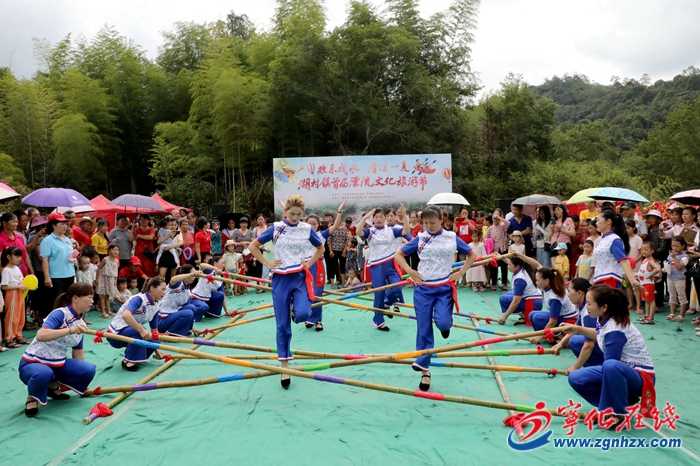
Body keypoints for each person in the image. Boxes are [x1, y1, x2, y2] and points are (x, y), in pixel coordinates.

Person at [395, 205, 477, 391]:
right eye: (425, 223)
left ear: (442, 220)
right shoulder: (420, 238)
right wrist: (410, 271)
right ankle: (425, 369)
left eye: (432, 222)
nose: (429, 226)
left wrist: (461, 272)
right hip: (423, 289)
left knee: (443, 323)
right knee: (423, 327)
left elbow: (472, 255)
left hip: (444, 288)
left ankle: (445, 326)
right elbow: (399, 255)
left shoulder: (451, 237)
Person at [249, 195, 327, 388]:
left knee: (303, 314)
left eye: (298, 214)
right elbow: (253, 246)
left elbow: (320, 248)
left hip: (299, 277)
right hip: (280, 279)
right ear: (285, 212)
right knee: (282, 325)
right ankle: (285, 366)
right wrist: (267, 263)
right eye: (292, 214)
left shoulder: (306, 228)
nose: (295, 218)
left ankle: (294, 309)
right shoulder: (276, 228)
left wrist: (309, 263)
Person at [565, 285, 656, 429]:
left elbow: (610, 366)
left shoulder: (615, 330)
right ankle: (624, 399)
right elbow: (601, 335)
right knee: (576, 378)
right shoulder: (604, 318)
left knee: (610, 365)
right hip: (623, 371)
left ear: (604, 307)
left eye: (589, 303)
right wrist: (579, 329)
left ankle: (616, 413)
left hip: (641, 378)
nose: (586, 307)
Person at [18, 283, 96, 417]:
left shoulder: (81, 324)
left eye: (92, 297)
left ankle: (52, 387)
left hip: (57, 364)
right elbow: (41, 335)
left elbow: (78, 352)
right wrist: (70, 330)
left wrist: (82, 381)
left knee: (88, 370)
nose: (92, 301)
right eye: (89, 297)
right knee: (43, 373)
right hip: (32, 363)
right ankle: (31, 398)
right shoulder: (60, 314)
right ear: (76, 298)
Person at [357, 205, 410, 331]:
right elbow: (359, 232)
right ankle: (378, 320)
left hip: (391, 263)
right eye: (376, 217)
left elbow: (406, 232)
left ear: (385, 218)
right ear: (373, 219)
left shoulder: (391, 230)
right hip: (377, 265)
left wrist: (404, 216)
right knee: (379, 293)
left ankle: (387, 302)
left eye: (381, 217)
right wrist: (364, 218)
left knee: (398, 286)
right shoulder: (370, 231)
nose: (379, 219)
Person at [107, 277, 167, 371]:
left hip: (130, 332)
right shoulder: (139, 299)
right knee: (141, 331)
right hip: (115, 333)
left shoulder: (155, 306)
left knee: (153, 339)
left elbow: (154, 330)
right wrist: (141, 330)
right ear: (152, 288)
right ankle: (128, 361)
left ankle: (133, 356)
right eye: (163, 289)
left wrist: (156, 348)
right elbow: (126, 315)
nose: (164, 292)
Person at [304, 208, 344, 331]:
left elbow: (336, 226)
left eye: (314, 224)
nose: (312, 226)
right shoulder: (299, 236)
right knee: (305, 293)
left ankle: (318, 320)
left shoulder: (321, 235)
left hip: (318, 266)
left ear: (319, 224)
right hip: (304, 267)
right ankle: (308, 317)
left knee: (317, 293)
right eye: (309, 224)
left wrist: (339, 213)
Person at [552, 278, 604, 372]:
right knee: (576, 337)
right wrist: (560, 344)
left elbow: (589, 345)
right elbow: (575, 329)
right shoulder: (584, 306)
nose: (568, 294)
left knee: (575, 341)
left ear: (579, 293)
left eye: (569, 291)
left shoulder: (589, 313)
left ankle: (597, 367)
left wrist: (575, 367)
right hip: (603, 343)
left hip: (605, 347)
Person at [591, 209, 639, 291]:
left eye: (598, 220)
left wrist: (632, 281)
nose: (596, 223)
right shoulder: (603, 239)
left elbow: (624, 261)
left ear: (608, 222)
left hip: (610, 279)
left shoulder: (614, 240)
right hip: (599, 279)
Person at [40, 213, 76, 316]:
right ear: (54, 225)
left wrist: (73, 256)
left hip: (69, 274)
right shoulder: (47, 240)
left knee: (68, 300)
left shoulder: (67, 239)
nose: (65, 226)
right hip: (56, 276)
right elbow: (44, 260)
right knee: (56, 301)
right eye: (62, 224)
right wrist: (47, 277)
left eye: (66, 224)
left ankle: (66, 320)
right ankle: (54, 321)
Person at [497, 255, 543, 326]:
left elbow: (516, 302)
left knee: (503, 299)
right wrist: (499, 256)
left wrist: (505, 316)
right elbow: (510, 262)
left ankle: (525, 316)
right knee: (508, 294)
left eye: (509, 265)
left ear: (517, 266)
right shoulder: (523, 268)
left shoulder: (520, 279)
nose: (508, 266)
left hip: (533, 304)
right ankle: (524, 315)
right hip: (536, 300)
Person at [156, 265, 198, 337]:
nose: (193, 277)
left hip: (170, 316)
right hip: (161, 320)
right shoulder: (178, 284)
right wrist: (191, 274)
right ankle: (168, 333)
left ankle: (188, 329)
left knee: (191, 307)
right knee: (188, 313)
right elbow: (173, 279)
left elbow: (188, 307)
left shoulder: (187, 290)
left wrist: (194, 329)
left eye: (194, 275)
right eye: (192, 275)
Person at [642, 210, 669, 314]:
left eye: (653, 217)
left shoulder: (661, 230)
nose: (650, 219)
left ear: (658, 219)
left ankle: (658, 303)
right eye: (649, 218)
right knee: (650, 281)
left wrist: (653, 254)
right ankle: (650, 301)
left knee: (658, 281)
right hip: (649, 258)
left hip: (659, 258)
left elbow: (663, 246)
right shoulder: (648, 231)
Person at [2, 246, 28, 347]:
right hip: (12, 295)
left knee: (21, 316)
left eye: (20, 256)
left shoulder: (17, 268)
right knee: (12, 317)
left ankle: (18, 335)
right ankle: (9, 339)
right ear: (9, 257)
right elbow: (4, 286)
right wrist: (18, 287)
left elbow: (21, 281)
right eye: (16, 256)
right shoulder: (6, 270)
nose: (19, 258)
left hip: (20, 294)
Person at [0, 212, 33, 277]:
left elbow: (26, 256)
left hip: (24, 273)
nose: (16, 224)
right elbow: (1, 263)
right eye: (14, 222)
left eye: (17, 222)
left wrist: (32, 272)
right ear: (4, 223)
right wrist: (4, 278)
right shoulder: (1, 240)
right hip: (10, 276)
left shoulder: (19, 238)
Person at [665, 236, 689, 322]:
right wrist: (665, 268)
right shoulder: (670, 255)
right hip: (670, 277)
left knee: (682, 296)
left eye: (677, 246)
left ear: (683, 246)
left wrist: (674, 257)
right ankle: (672, 313)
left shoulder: (685, 256)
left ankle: (681, 315)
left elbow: (679, 267)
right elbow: (668, 264)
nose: (674, 248)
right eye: (673, 245)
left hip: (679, 279)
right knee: (672, 296)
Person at [637, 241, 661, 325]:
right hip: (643, 283)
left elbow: (658, 269)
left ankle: (651, 318)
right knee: (646, 300)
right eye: (642, 249)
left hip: (648, 284)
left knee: (651, 300)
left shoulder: (651, 261)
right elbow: (642, 272)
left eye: (646, 250)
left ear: (652, 251)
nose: (643, 251)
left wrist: (651, 275)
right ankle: (647, 315)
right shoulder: (644, 260)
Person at [486, 212, 510, 291]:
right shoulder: (490, 228)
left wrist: (499, 218)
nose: (495, 220)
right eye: (494, 218)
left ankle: (504, 283)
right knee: (494, 267)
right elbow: (486, 238)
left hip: (503, 248)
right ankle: (494, 284)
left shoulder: (502, 226)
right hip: (494, 250)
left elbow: (508, 223)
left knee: (504, 267)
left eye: (497, 218)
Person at [95, 243, 120, 319]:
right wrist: (97, 279)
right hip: (103, 278)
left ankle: (109, 311)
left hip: (111, 279)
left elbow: (116, 271)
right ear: (109, 251)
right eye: (114, 250)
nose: (116, 251)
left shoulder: (116, 261)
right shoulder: (105, 259)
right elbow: (99, 268)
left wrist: (115, 279)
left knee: (107, 295)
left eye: (117, 250)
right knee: (102, 295)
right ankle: (103, 312)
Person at [625, 220, 643, 314]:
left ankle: (638, 305)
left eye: (628, 228)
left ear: (634, 228)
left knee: (636, 285)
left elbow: (641, 253)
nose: (626, 230)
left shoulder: (638, 239)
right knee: (628, 284)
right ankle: (631, 303)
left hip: (635, 266)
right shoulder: (623, 239)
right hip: (626, 265)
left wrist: (634, 261)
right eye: (625, 228)